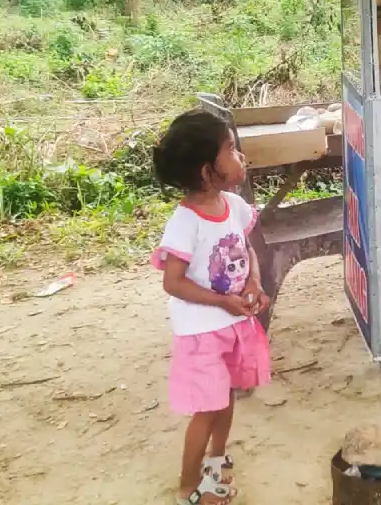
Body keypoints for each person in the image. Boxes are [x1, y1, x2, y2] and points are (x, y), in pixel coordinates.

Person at [151, 109, 272, 504]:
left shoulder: (233, 205)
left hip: (232, 323)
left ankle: (217, 459)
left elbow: (245, 247)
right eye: (231, 151)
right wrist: (222, 300)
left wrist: (253, 282)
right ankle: (188, 486)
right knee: (207, 407)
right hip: (201, 332)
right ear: (206, 172)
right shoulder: (185, 223)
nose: (240, 158)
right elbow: (173, 281)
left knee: (227, 395)